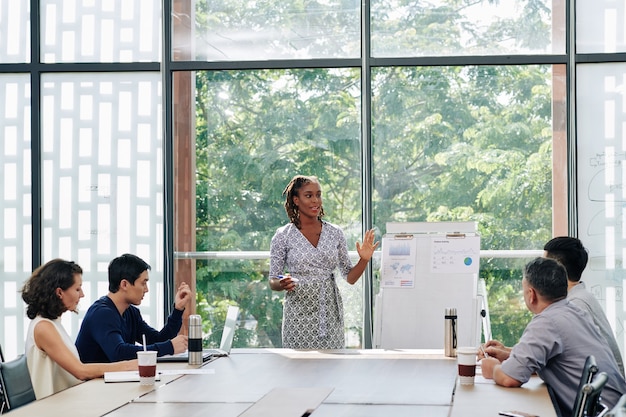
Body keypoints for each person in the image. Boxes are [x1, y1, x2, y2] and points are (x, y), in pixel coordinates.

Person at [480, 257, 626, 417]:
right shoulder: (575, 312)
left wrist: (491, 367)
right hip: (615, 407)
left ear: (531, 295)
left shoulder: (546, 322)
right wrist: (508, 355)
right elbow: (558, 356)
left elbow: (510, 378)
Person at [269, 175, 379, 349]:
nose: (315, 200)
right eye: (309, 195)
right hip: (297, 315)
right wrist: (281, 283)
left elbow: (350, 278)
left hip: (329, 312)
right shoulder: (283, 235)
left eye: (318, 195)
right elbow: (273, 280)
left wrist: (364, 260)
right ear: (296, 200)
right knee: (298, 369)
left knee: (332, 369)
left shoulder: (335, 233)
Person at [21, 259, 137, 399]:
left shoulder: (53, 323)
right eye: (77, 289)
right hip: (54, 408)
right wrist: (127, 366)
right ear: (59, 293)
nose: (82, 294)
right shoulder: (43, 327)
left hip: (70, 400)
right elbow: (80, 371)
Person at [75, 253, 190, 362]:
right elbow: (119, 353)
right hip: (90, 382)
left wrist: (178, 309)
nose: (146, 289)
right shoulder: (101, 313)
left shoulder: (130, 312)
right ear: (124, 284)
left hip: (114, 380)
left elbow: (158, 340)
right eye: (143, 283)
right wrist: (169, 347)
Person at [544, 236, 624, 376]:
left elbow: (549, 359)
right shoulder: (580, 297)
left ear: (555, 270)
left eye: (543, 266)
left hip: (601, 392)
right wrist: (509, 353)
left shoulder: (576, 306)